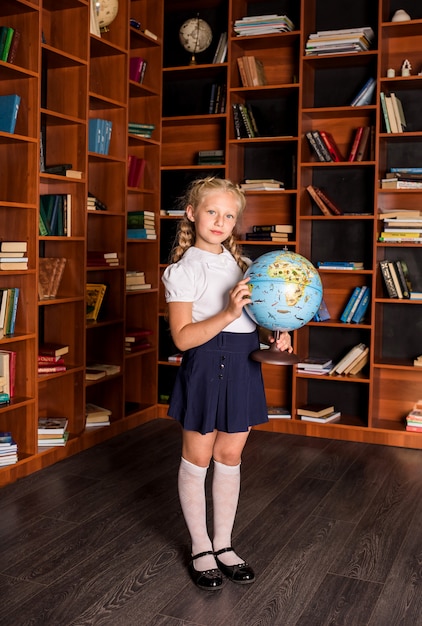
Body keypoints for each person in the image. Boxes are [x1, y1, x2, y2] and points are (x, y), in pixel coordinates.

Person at [162, 177, 292, 590]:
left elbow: (256, 317)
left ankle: (224, 544)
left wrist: (276, 333)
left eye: (229, 215)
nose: (220, 221)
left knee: (231, 455)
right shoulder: (181, 270)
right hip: (203, 365)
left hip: (242, 366)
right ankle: (200, 546)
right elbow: (183, 338)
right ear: (192, 213)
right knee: (197, 457)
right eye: (212, 212)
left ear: (236, 222)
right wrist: (228, 311)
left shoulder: (243, 268)